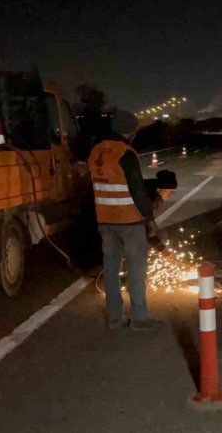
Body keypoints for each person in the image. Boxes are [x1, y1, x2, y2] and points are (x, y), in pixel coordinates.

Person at [90, 111, 162, 331]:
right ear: (131, 131)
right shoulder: (126, 153)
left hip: (105, 220)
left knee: (111, 268)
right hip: (129, 221)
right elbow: (138, 191)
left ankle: (114, 317)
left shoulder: (95, 151)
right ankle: (139, 318)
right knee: (136, 268)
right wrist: (149, 217)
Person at [143, 169, 178, 257]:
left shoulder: (146, 191)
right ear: (159, 190)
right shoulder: (150, 201)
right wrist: (162, 248)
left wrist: (162, 248)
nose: (170, 195)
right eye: (169, 191)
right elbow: (147, 229)